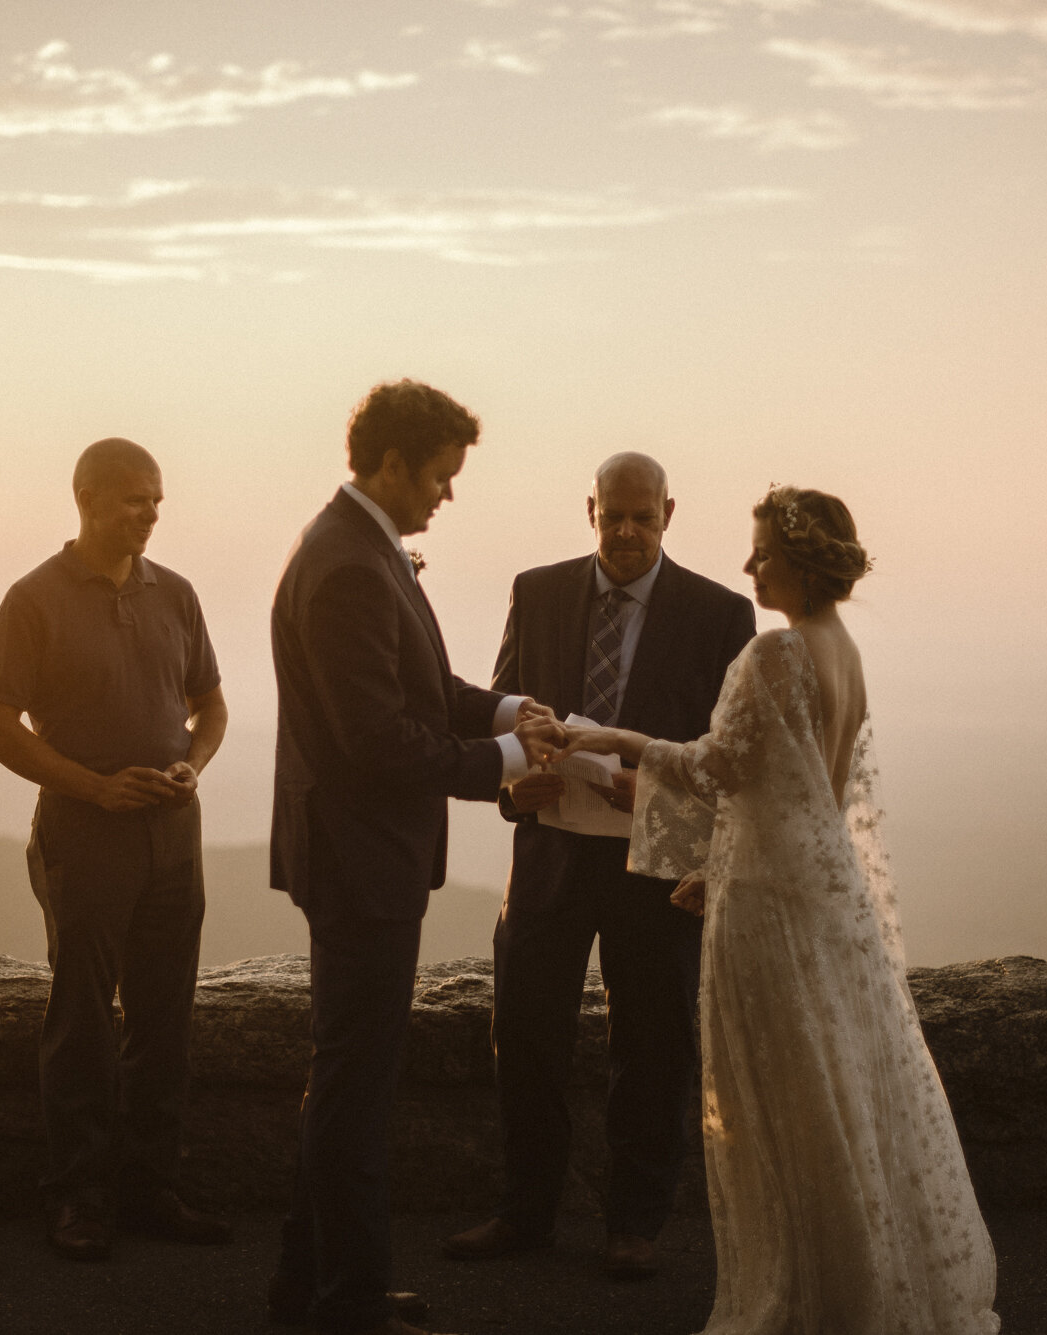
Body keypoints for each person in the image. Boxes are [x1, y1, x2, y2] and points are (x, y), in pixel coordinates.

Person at [554, 486, 1000, 1334]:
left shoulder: (774, 655)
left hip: (769, 909)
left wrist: (617, 741)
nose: (748, 564)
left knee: (773, 1103)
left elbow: (718, 765)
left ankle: (804, 1290)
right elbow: (811, 797)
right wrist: (720, 867)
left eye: (760, 550)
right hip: (822, 895)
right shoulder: (846, 652)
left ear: (797, 560)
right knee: (834, 1088)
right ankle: (862, 1281)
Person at [268, 381, 561, 1335]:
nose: (446, 494)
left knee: (346, 1076)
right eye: (440, 475)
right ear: (391, 462)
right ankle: (347, 1302)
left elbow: (424, 687)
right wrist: (508, 766)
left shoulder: (354, 546)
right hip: (361, 863)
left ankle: (308, 1287)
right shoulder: (349, 564)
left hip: (361, 857)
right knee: (355, 1087)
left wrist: (510, 709)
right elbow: (378, 742)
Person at [443, 453, 754, 1278]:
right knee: (525, 1027)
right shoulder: (537, 590)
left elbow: (730, 759)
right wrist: (517, 780)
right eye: (611, 515)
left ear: (669, 514)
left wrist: (649, 791)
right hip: (548, 851)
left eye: (641, 518)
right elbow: (505, 709)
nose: (624, 532)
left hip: (656, 864)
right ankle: (525, 1211)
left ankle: (635, 1223)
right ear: (590, 509)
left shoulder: (721, 613)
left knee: (652, 1041)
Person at [0, 438, 232, 1261]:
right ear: (86, 499)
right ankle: (77, 1198)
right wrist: (95, 788)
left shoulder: (177, 595)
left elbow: (213, 707)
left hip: (173, 835)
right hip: (84, 836)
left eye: (156, 500)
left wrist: (191, 767)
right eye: (135, 500)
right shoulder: (33, 598)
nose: (151, 513)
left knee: (164, 1017)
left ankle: (152, 1188)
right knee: (83, 1019)